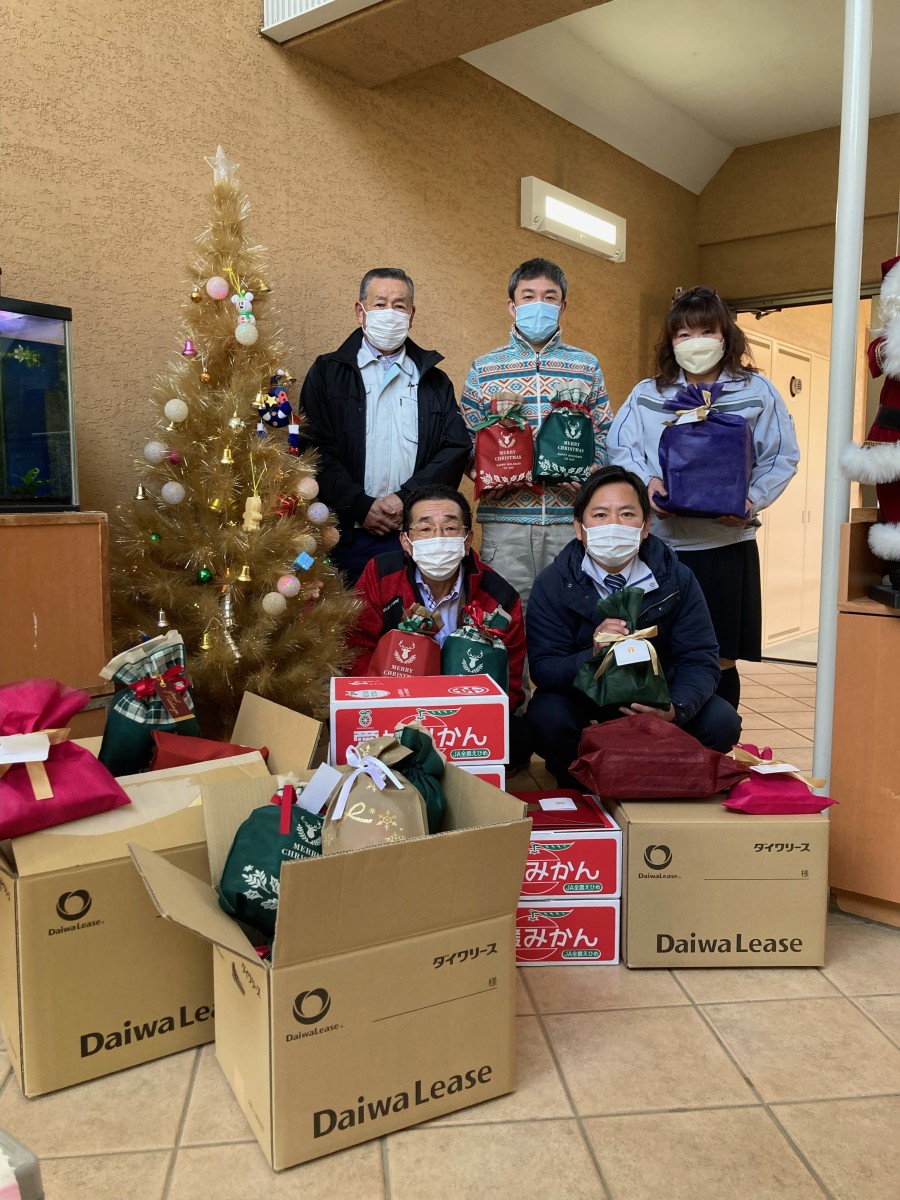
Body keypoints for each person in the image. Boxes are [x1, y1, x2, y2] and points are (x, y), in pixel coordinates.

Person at [608, 286, 800, 709]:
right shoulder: (648, 393)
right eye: (684, 334)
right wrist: (647, 484)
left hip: (727, 546)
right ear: (671, 341)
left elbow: (782, 455)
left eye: (706, 331)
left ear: (726, 335)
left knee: (720, 658)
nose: (695, 342)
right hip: (660, 548)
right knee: (655, 652)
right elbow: (621, 448)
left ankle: (718, 737)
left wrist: (751, 501)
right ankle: (661, 739)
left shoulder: (757, 390)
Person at [526, 466, 741, 786]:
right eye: (600, 515)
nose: (613, 525)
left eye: (627, 514)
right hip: (584, 702)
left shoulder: (677, 578)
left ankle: (661, 778)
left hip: (659, 697)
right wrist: (592, 655)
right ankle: (582, 781)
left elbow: (700, 658)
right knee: (546, 719)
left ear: (645, 527)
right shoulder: (554, 583)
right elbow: (544, 668)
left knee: (722, 722)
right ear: (579, 528)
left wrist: (674, 709)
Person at [299, 268, 470, 585]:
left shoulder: (434, 380)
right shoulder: (327, 372)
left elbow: (454, 448)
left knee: (412, 615)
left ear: (411, 314)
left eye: (399, 305)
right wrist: (360, 505)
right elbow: (313, 447)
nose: (390, 312)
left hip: (414, 538)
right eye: (380, 304)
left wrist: (407, 499)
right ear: (360, 311)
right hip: (343, 535)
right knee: (346, 615)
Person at [460, 257, 612, 613]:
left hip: (569, 521)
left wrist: (592, 471)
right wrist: (481, 473)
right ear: (512, 306)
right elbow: (466, 436)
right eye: (528, 296)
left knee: (569, 618)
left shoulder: (585, 365)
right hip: (505, 524)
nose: (539, 304)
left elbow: (604, 431)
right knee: (506, 619)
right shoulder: (485, 367)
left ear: (563, 306)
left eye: (549, 296)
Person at [347, 484, 532, 769]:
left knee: (520, 739)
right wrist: (388, 705)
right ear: (406, 542)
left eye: (450, 528)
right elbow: (357, 650)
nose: (438, 538)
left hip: (467, 719)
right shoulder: (382, 574)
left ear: (468, 540)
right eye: (425, 529)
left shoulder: (499, 597)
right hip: (395, 709)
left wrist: (461, 721)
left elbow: (510, 683)